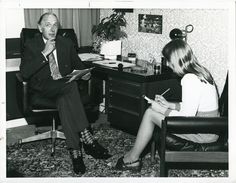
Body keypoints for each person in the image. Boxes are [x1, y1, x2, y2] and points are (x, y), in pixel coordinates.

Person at [20, 12, 111, 174]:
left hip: (63, 88)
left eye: (55, 25)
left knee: (65, 98)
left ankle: (76, 153)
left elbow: (78, 64)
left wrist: (85, 73)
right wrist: (44, 53)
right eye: (48, 24)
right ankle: (86, 135)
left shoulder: (65, 43)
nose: (52, 28)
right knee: (70, 86)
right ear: (40, 28)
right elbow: (25, 73)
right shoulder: (31, 44)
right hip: (43, 89)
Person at [115, 39, 219, 171]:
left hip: (202, 133)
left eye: (169, 60)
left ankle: (132, 159)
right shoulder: (201, 73)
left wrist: (161, 109)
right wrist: (168, 104)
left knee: (150, 113)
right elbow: (193, 107)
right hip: (209, 128)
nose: (168, 64)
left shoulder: (189, 79)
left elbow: (186, 117)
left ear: (175, 60)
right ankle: (133, 156)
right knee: (153, 111)